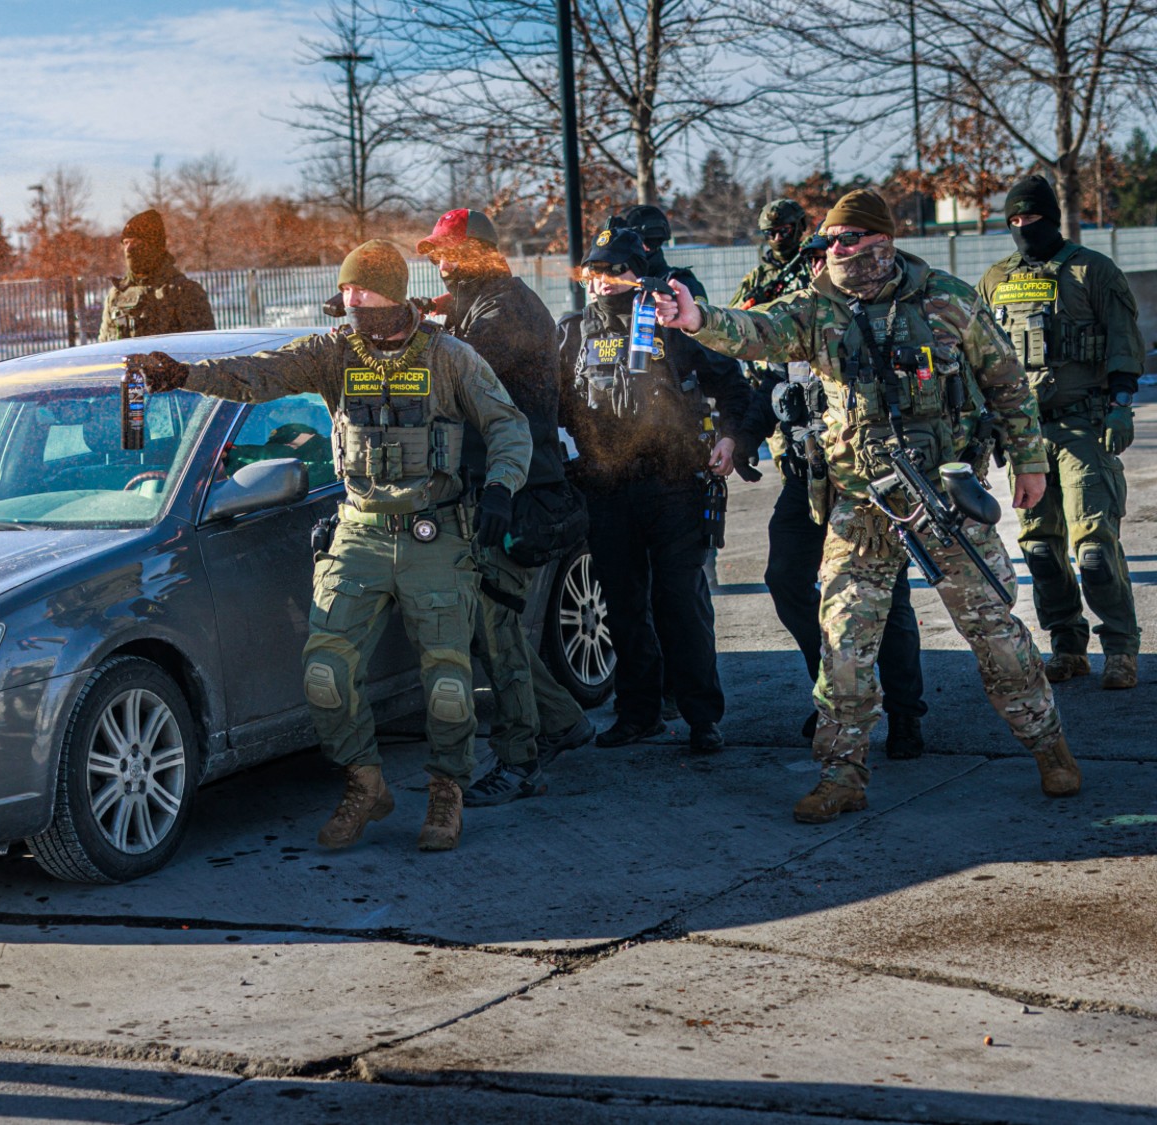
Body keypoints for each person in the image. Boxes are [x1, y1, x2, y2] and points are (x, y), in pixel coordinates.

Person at [656, 187, 1081, 823]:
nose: (837, 253)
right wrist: (696, 319)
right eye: (829, 243)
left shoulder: (947, 299)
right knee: (844, 644)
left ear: (882, 241)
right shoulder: (816, 308)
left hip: (944, 497)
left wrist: (1030, 463)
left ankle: (1049, 747)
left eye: (849, 241)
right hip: (859, 505)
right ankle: (842, 774)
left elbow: (1008, 385)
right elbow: (756, 331)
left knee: (995, 630)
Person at [125, 240, 532, 852]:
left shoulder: (451, 357)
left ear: (392, 294)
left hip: (433, 533)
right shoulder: (332, 353)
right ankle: (365, 783)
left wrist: (501, 487)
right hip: (359, 531)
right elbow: (257, 374)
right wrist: (182, 375)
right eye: (345, 291)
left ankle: (446, 790)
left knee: (447, 682)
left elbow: (508, 425)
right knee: (324, 675)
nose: (350, 301)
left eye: (361, 291)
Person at [406, 209, 595, 807]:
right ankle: (563, 721)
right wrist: (409, 309)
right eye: (435, 252)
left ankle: (521, 761)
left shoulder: (505, 311)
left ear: (476, 253)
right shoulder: (482, 301)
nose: (437, 260)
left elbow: (451, 363)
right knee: (492, 626)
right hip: (489, 487)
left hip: (515, 490)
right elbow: (448, 319)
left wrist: (397, 324)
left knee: (498, 630)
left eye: (446, 251)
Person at [561, 221, 763, 754]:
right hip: (606, 491)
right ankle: (637, 715)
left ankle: (701, 718)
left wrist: (731, 440)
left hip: (674, 485)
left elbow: (735, 386)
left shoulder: (672, 325)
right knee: (623, 607)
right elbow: (551, 408)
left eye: (617, 270)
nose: (604, 281)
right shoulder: (572, 333)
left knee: (679, 601)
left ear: (640, 274)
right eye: (596, 271)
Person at [735, 203, 929, 756]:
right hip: (806, 479)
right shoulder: (795, 317)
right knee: (785, 578)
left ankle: (905, 714)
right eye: (815, 257)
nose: (820, 266)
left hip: (867, 483)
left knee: (886, 600)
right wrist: (747, 439)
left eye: (827, 255)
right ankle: (835, 695)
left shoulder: (870, 315)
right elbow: (767, 390)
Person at [978, 176, 1141, 690]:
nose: (1024, 228)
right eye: (1015, 221)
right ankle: (1067, 646)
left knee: (1092, 545)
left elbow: (1123, 340)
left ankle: (1119, 648)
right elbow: (980, 357)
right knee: (1041, 548)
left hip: (1084, 424)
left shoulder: (1094, 269)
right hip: (1025, 437)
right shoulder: (995, 280)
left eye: (1032, 218)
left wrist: (1120, 404)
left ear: (1053, 217)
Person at [96, 210, 216, 341]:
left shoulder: (184, 292)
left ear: (154, 246)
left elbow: (205, 349)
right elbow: (104, 348)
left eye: (136, 242)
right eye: (126, 243)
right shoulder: (117, 295)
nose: (129, 249)